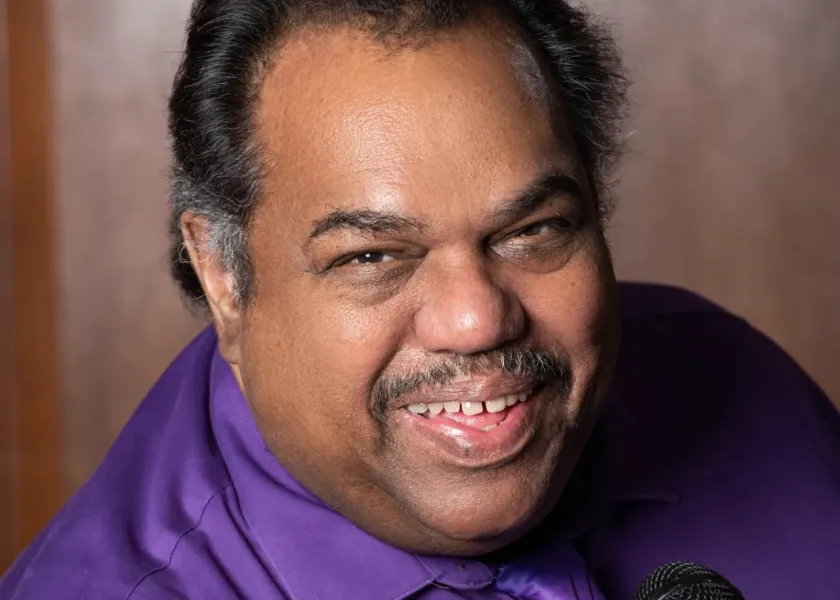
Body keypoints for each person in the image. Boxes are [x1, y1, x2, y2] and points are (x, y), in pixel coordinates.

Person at [2, 0, 839, 598]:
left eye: (533, 230)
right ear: (224, 276)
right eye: (373, 255)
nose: (477, 318)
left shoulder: (745, 389)